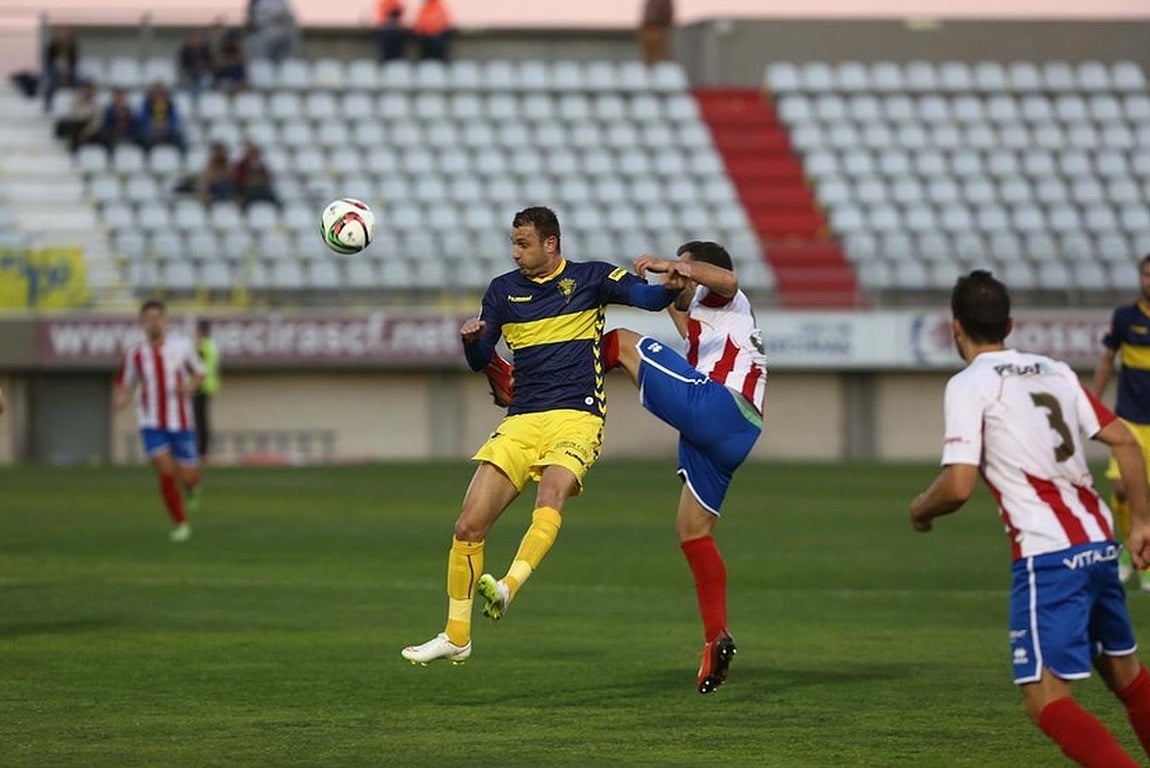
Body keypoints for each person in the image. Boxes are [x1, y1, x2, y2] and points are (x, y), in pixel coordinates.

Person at [400, 206, 683, 665]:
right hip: (523, 419)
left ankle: (509, 585)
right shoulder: (502, 291)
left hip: (577, 415)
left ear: (550, 244)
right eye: (513, 243)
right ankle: (456, 635)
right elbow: (480, 360)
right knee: (467, 525)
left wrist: (670, 284)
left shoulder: (591, 278)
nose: (515, 253)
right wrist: (473, 339)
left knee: (551, 495)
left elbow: (647, 300)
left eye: (523, 244)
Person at [482, 242, 766, 693]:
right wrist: (673, 285)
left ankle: (526, 387)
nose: (680, 279)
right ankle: (717, 638)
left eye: (688, 271)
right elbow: (674, 306)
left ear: (700, 272)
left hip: (721, 407)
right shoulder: (705, 320)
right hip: (734, 432)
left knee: (617, 342)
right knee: (693, 532)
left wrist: (679, 265)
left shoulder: (726, 297)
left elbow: (727, 279)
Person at [909, 270, 1150, 768]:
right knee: (1128, 678)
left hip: (1050, 555)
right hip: (1100, 541)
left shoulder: (969, 384)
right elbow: (1126, 442)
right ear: (1010, 323)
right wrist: (1142, 525)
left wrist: (920, 510)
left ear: (956, 328)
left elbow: (957, 486)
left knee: (1045, 700)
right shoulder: (1055, 370)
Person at [114, 300, 205, 543]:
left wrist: (189, 388)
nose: (154, 322)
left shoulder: (182, 347)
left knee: (188, 475)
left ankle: (193, 486)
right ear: (142, 323)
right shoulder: (135, 354)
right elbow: (124, 381)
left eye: (158, 317)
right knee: (165, 470)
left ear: (166, 321)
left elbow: (200, 372)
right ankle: (181, 523)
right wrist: (121, 398)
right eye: (149, 318)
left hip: (181, 421)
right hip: (151, 422)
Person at [1092, 254, 1150, 591]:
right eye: (1145, 274)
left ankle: (1144, 559)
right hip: (1128, 417)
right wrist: (1092, 404)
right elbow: (1106, 360)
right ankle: (1130, 550)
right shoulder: (1124, 318)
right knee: (1123, 489)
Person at [193, 319, 221, 461]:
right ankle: (203, 450)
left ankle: (202, 451)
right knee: (202, 419)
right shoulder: (212, 345)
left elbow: (197, 364)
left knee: (199, 420)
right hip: (209, 385)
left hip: (201, 386)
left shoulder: (203, 345)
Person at [139, 81, 187, 153]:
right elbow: (143, 118)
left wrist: (166, 126)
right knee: (145, 137)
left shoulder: (170, 104)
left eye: (161, 92)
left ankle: (182, 157)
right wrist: (154, 126)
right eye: (156, 91)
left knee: (179, 139)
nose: (159, 94)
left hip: (167, 130)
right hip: (152, 130)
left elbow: (174, 119)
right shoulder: (147, 104)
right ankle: (147, 158)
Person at [55, 80, 101, 152]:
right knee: (70, 125)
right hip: (76, 123)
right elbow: (74, 113)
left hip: (87, 126)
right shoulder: (76, 98)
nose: (89, 91)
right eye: (87, 88)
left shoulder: (96, 103)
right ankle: (73, 148)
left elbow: (96, 120)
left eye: (91, 89)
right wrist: (88, 113)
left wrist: (87, 131)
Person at [42, 26, 78, 113]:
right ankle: (48, 104)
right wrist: (58, 71)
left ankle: (76, 105)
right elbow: (48, 62)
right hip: (53, 70)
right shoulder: (52, 46)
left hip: (68, 70)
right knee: (49, 83)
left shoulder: (72, 47)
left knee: (79, 80)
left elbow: (74, 62)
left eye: (65, 34)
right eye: (61, 34)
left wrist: (65, 72)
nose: (63, 36)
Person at [233, 141, 278, 208]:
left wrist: (262, 178)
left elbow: (268, 176)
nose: (254, 154)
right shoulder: (242, 164)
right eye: (252, 152)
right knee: (250, 193)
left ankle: (277, 208)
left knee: (269, 193)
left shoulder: (262, 164)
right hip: (248, 187)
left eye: (256, 152)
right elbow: (239, 178)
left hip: (261, 185)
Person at [637, 0, 674, 66]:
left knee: (661, 59)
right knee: (651, 59)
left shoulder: (663, 2)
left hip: (658, 30)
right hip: (653, 30)